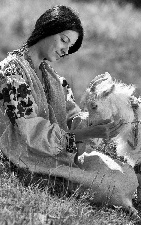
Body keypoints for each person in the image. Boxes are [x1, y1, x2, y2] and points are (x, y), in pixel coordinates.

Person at [0, 5, 124, 190]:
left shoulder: (52, 78)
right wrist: (88, 134)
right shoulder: (12, 74)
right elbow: (32, 134)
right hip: (21, 159)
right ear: (48, 29)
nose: (66, 50)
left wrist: (95, 117)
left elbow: (71, 115)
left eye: (70, 47)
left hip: (52, 156)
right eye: (64, 40)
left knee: (123, 174)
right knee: (108, 185)